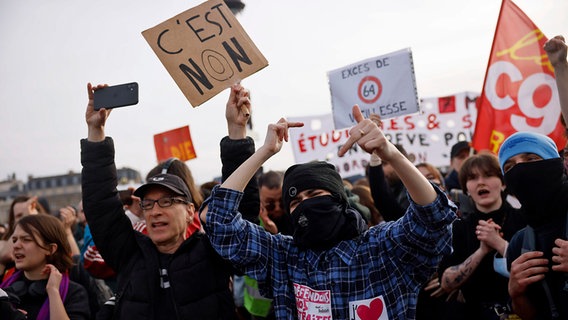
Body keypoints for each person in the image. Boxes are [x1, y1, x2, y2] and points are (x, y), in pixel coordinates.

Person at [200, 105, 457, 319]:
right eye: (296, 202)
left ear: (338, 199)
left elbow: (433, 218)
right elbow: (219, 221)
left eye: (313, 195)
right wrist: (263, 152)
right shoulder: (283, 258)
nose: (305, 205)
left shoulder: (382, 248)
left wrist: (390, 154)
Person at [81, 82, 236, 319]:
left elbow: (239, 206)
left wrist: (237, 132)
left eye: (166, 201)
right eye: (148, 204)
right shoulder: (129, 254)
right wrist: (96, 132)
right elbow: (100, 203)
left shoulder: (213, 251)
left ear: (189, 210)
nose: (155, 211)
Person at [503, 35, 568, 320]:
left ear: (556, 164)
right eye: (511, 167)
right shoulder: (520, 243)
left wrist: (561, 68)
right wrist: (515, 291)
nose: (522, 170)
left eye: (531, 160)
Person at [437, 153, 525, 319]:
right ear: (466, 188)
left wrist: (499, 243)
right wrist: (482, 251)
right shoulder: (458, 227)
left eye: (488, 175)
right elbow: (446, 282)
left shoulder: (524, 219)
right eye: (472, 178)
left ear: (503, 183)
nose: (481, 182)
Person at [0, 214, 90, 319]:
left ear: (50, 249)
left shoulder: (74, 293)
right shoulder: (6, 291)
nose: (16, 245)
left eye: (26, 239)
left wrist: (53, 292)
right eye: (14, 240)